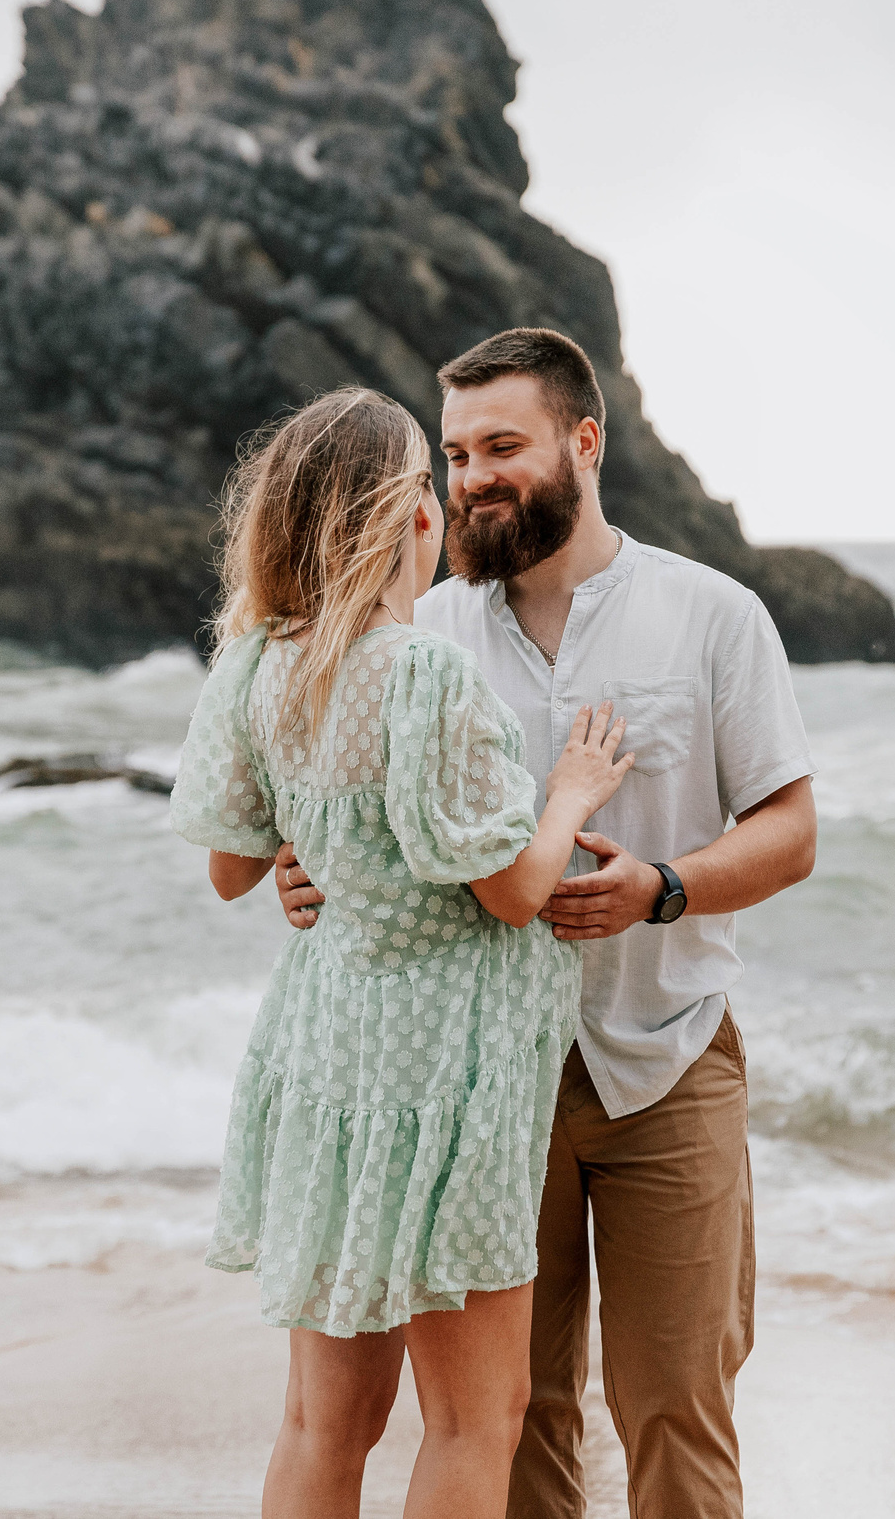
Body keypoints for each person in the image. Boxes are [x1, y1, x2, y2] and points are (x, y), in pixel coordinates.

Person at [274, 329, 819, 1518]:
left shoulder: (713, 616)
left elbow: (790, 830)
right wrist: (300, 868)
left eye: (502, 446)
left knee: (677, 1404)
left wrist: (661, 886)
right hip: (476, 1085)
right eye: (458, 453)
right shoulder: (420, 631)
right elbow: (345, 812)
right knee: (509, 1421)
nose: (473, 477)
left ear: (584, 441)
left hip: (665, 1058)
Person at [170, 385, 640, 1519]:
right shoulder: (422, 674)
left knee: (320, 1422)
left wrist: (319, 839)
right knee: (477, 1419)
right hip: (444, 1078)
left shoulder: (251, 666)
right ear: (412, 520)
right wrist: (569, 793)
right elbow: (516, 892)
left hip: (327, 1058)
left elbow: (234, 869)